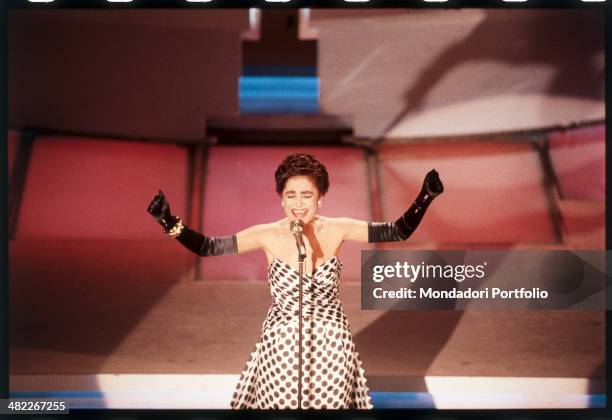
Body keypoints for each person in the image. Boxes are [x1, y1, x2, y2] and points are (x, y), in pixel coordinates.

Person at [147, 153, 443, 409]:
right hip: (281, 344)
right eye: (291, 195)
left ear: (321, 198)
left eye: (307, 195)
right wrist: (168, 222)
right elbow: (208, 247)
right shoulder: (266, 233)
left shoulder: (338, 228)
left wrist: (425, 197)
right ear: (281, 198)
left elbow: (396, 232)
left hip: (331, 344)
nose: (298, 204)